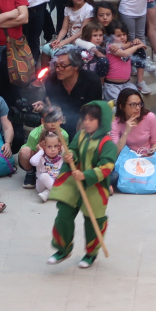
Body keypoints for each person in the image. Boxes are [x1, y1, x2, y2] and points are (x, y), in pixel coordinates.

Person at [46, 102, 115, 268]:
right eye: (85, 118)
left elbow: (106, 167)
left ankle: (91, 254)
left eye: (92, 119)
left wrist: (86, 175)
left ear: (102, 121)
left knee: (93, 221)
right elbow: (73, 149)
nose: (87, 122)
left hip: (95, 188)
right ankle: (63, 249)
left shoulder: (108, 144)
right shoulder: (81, 135)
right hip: (74, 184)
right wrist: (71, 157)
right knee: (63, 214)